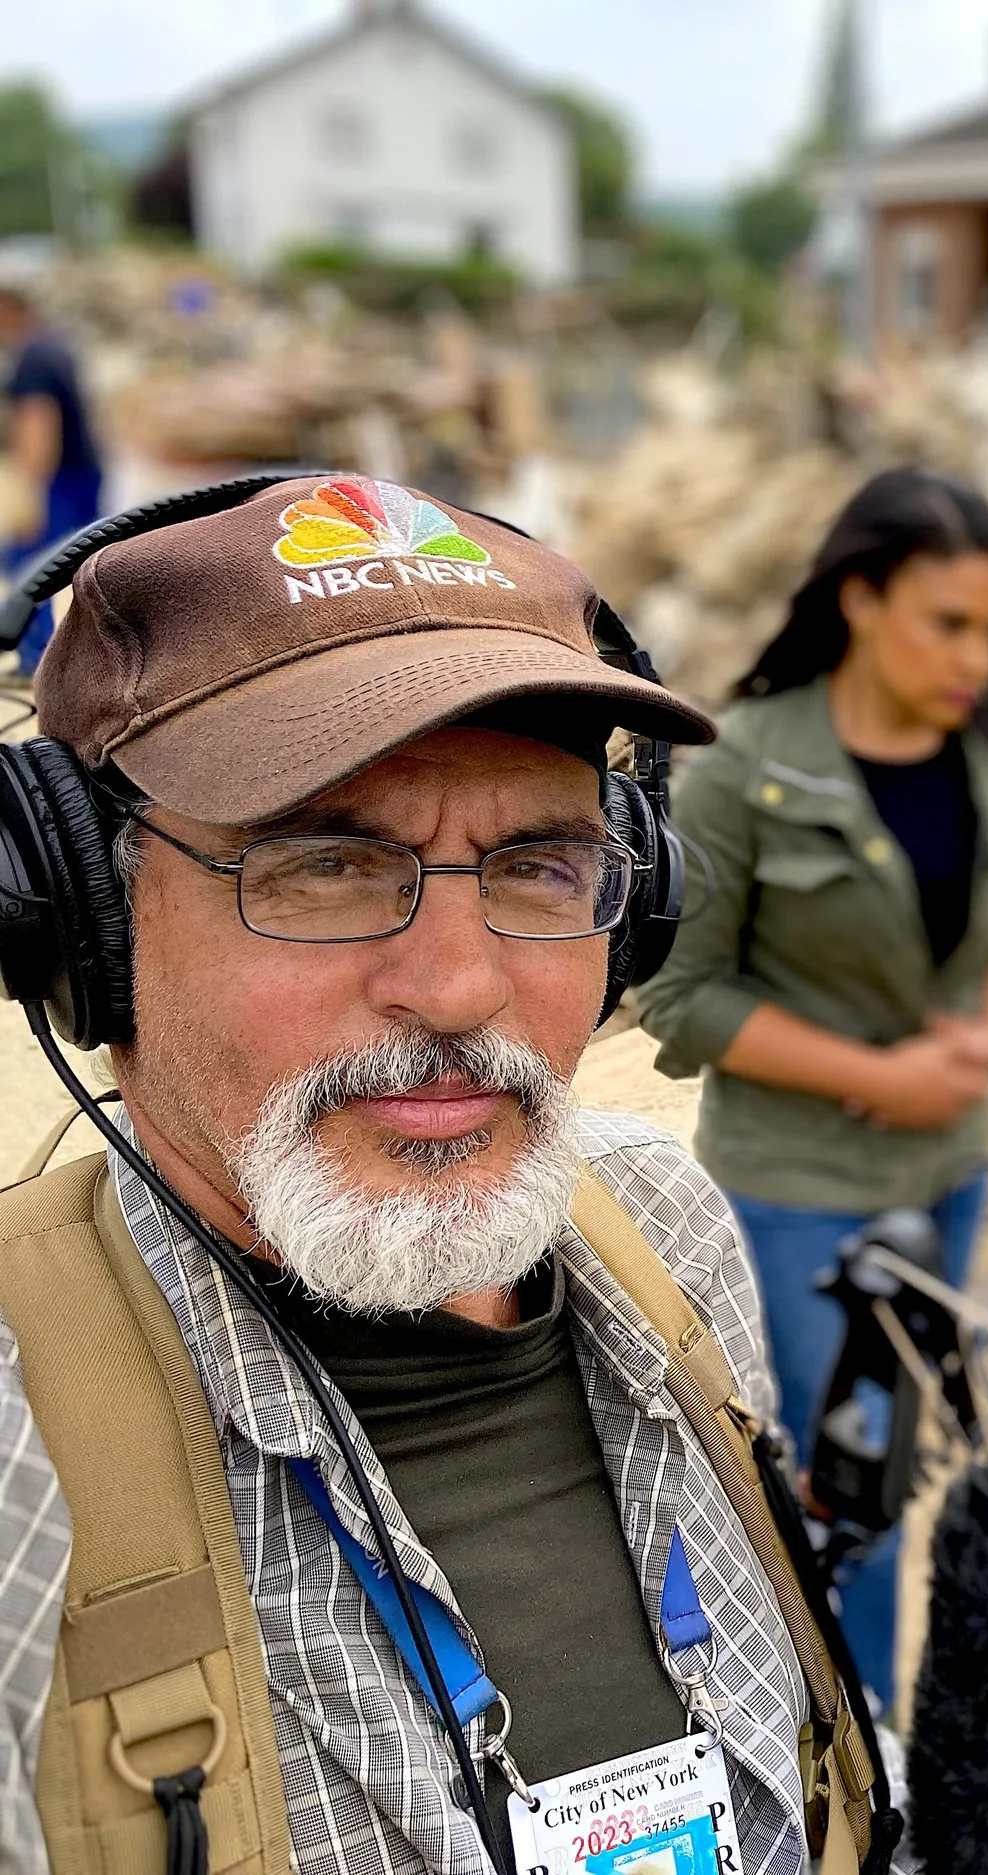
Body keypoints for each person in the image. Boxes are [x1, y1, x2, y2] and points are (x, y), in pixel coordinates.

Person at [0, 476, 883, 1875]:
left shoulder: (661, 1221)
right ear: (81, 928)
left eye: (539, 862)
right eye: (326, 863)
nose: (463, 985)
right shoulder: (15, 1441)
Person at [638, 469, 988, 1707]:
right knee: (835, 1473)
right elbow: (679, 993)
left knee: (898, 1445)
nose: (980, 657)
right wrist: (881, 1078)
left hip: (945, 1174)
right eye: (949, 623)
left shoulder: (987, 756)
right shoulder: (746, 769)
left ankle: (870, 1719)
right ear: (859, 598)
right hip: (800, 1193)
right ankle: (853, 1740)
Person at [0, 284, 105, 672]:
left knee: (31, 566)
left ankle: (41, 663)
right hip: (81, 474)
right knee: (77, 565)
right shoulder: (55, 346)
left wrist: (30, 491)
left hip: (58, 480)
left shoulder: (33, 359)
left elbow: (38, 423)